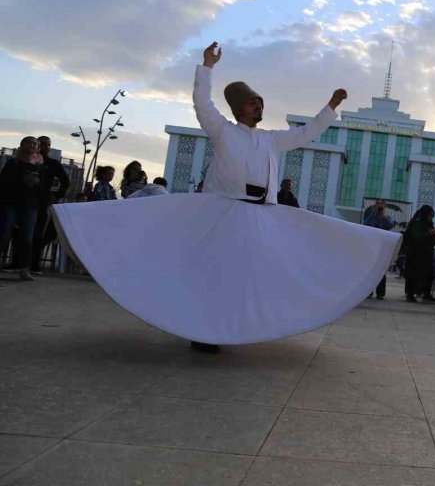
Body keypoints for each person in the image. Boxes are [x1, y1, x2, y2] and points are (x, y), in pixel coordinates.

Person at [51, 41, 401, 353]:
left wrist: (331, 106)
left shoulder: (271, 140)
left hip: (261, 217)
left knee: (255, 274)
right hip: (223, 213)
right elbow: (202, 103)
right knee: (215, 274)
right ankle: (205, 331)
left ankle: (243, 326)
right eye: (252, 102)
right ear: (239, 108)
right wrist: (207, 68)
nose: (258, 106)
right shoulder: (222, 131)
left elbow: (307, 133)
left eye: (260, 101)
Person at [0, 136, 45, 281]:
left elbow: (44, 187)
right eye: (29, 142)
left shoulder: (40, 165)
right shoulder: (13, 162)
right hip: (11, 203)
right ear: (22, 145)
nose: (32, 145)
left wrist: (36, 183)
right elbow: (3, 182)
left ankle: (24, 270)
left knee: (27, 238)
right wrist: (22, 180)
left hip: (31, 206)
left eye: (34, 143)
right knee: (4, 234)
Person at [27, 136, 71, 274]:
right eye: (43, 144)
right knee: (21, 232)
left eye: (48, 145)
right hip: (23, 201)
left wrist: (56, 195)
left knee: (38, 232)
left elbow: (65, 181)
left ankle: (34, 263)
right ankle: (17, 262)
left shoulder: (52, 164)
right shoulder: (27, 160)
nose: (46, 147)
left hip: (41, 202)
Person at [404, 205, 435, 302]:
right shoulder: (417, 224)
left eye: (432, 215)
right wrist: (427, 234)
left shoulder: (430, 224)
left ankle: (426, 294)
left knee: (428, 274)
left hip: (426, 254)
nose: (431, 217)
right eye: (429, 215)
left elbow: (434, 239)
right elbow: (415, 236)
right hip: (415, 254)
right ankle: (410, 294)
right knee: (413, 274)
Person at [364, 199, 396, 300]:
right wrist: (374, 214)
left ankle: (380, 293)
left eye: (381, 204)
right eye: (377, 203)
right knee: (370, 270)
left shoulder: (387, 217)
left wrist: (383, 217)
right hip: (372, 247)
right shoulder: (370, 217)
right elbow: (366, 225)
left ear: (385, 206)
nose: (379, 205)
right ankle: (368, 291)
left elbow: (390, 226)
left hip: (383, 248)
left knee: (381, 270)